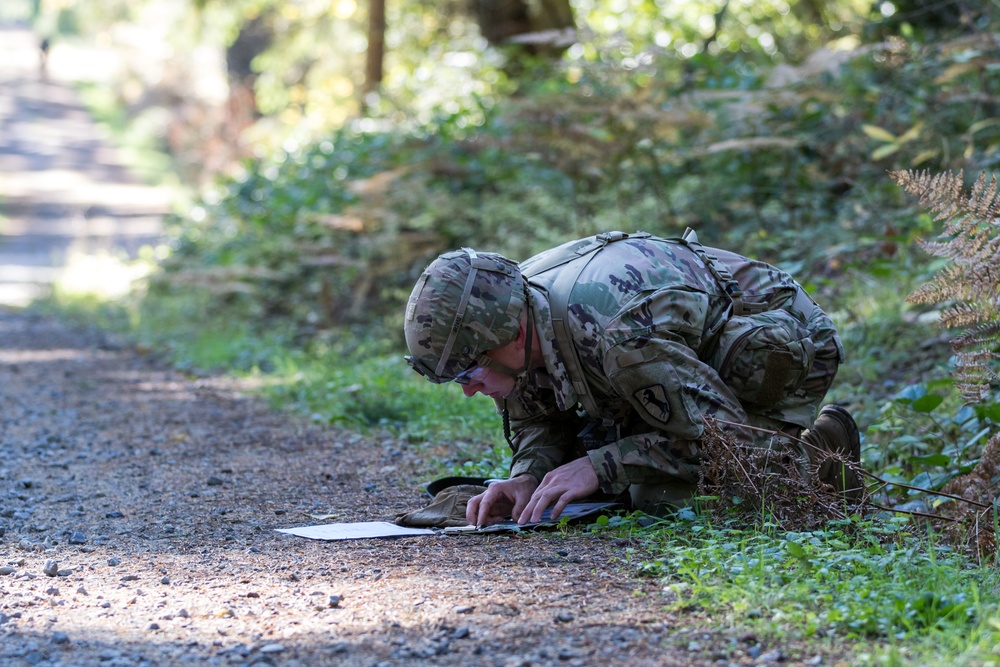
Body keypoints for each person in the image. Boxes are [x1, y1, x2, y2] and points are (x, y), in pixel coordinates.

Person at [403, 230, 861, 528]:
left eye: (469, 371)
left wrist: (601, 465)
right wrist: (527, 476)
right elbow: (537, 415)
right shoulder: (511, 308)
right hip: (672, 362)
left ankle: (819, 453)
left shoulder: (618, 334)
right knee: (600, 487)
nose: (467, 388)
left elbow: (729, 440)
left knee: (670, 501)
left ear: (515, 334)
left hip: (777, 339)